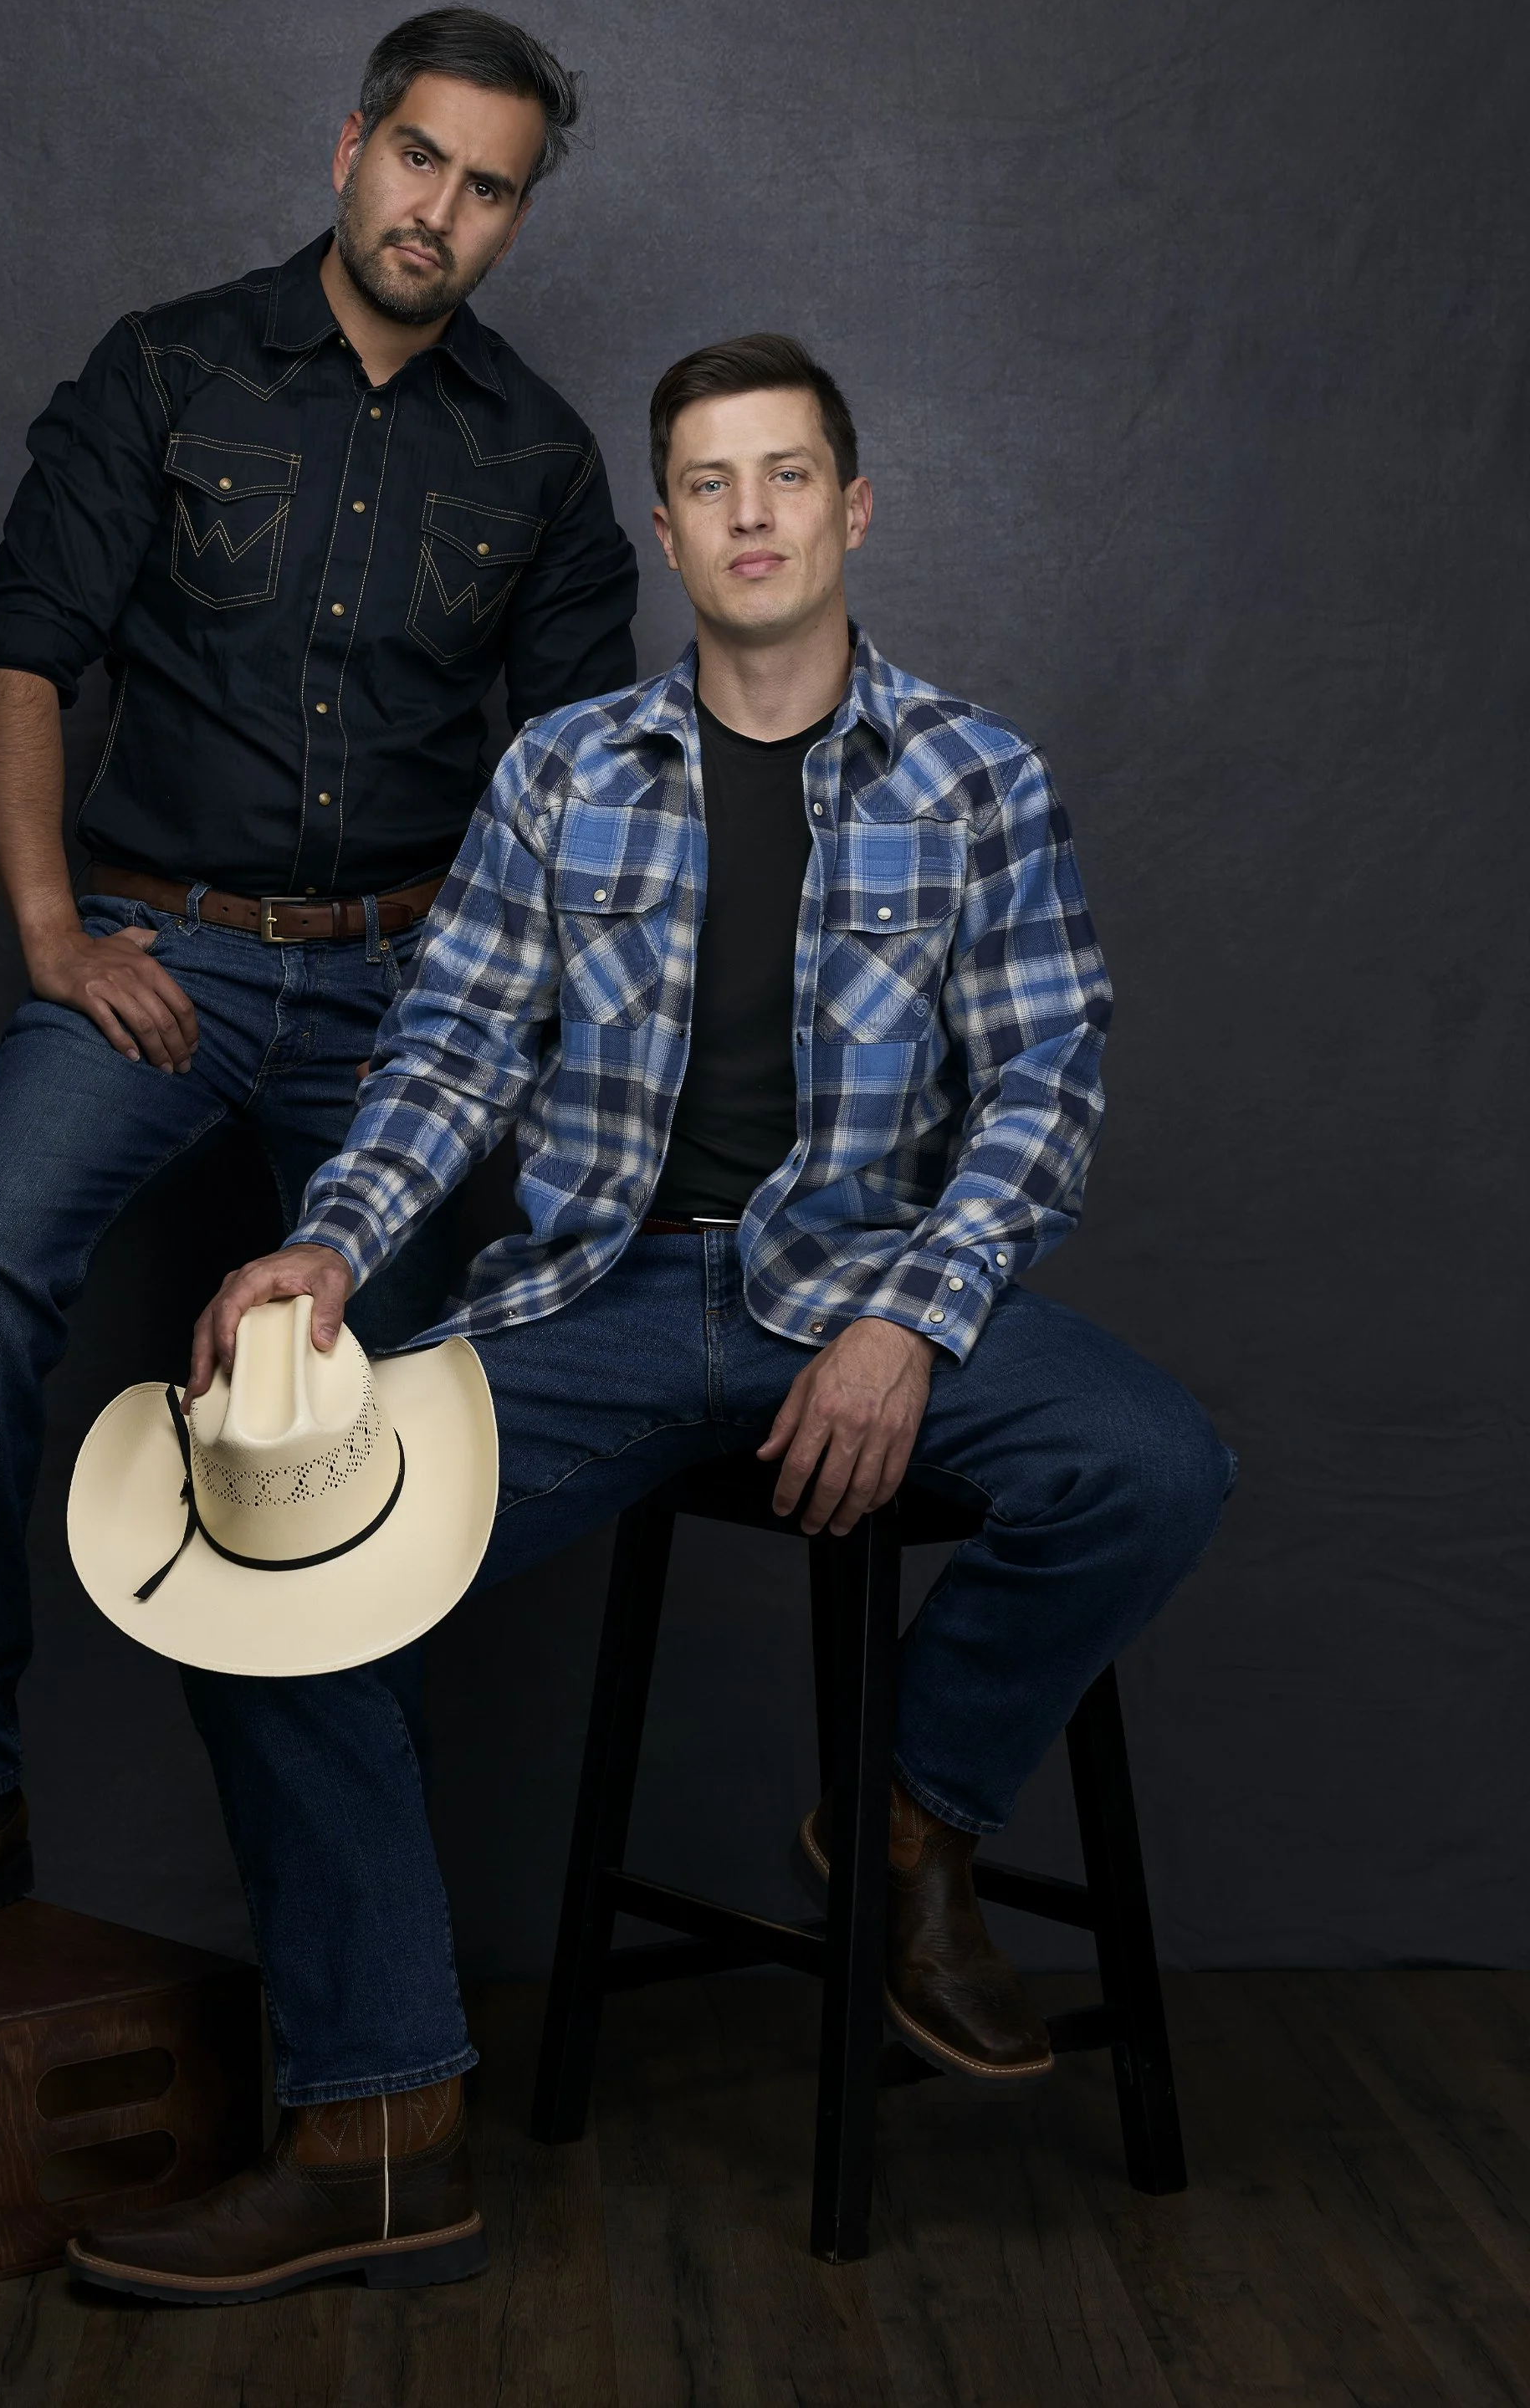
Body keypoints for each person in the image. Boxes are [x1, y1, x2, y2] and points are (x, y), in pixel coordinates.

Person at [65, 330, 1237, 2305]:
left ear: (852, 511)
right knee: (260, 1586)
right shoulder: (564, 771)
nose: (754, 515)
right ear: (671, 528)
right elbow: (446, 1051)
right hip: (599, 1304)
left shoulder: (977, 777)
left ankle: (901, 1819)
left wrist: (918, 1326)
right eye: (711, 483)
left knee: (1154, 1461)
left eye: (789, 477)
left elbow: (1045, 1087)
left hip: (869, 1298)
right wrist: (334, 1245)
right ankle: (379, 2130)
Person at [0, 8, 639, 1964]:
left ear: (523, 217)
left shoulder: (537, 455)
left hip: (406, 994)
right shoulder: (168, 371)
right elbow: (19, 646)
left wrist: (505, 1002)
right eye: (420, 157)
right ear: (350, 145)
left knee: (393, 1430)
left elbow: (594, 775)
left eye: (491, 185)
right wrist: (49, 934)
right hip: (160, 953)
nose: (442, 208)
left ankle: (355, 1942)